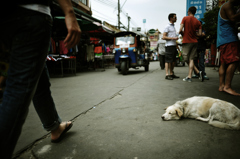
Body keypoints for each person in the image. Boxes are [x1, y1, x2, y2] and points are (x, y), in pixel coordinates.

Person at [0, 0, 81, 158]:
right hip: (32, 14)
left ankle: (54, 127)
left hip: (4, 19)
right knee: (18, 90)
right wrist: (69, 13)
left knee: (37, 74)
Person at [217, 0, 240, 96]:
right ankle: (227, 86)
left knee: (223, 63)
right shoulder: (228, 5)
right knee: (234, 61)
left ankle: (222, 85)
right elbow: (233, 18)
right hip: (229, 38)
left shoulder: (225, 6)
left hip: (222, 39)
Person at [178, 6, 203, 82]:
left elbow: (180, 30)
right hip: (194, 42)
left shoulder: (185, 18)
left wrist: (183, 33)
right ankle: (194, 74)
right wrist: (194, 34)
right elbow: (200, 34)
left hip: (186, 41)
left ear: (189, 11)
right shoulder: (198, 22)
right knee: (191, 59)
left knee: (186, 59)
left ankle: (193, 74)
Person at [162, 13, 180, 80]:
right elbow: (163, 37)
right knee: (168, 60)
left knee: (173, 61)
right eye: (175, 17)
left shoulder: (173, 26)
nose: (176, 19)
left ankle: (171, 73)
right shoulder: (167, 26)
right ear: (171, 18)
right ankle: (167, 74)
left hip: (173, 45)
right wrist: (173, 38)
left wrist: (176, 45)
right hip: (169, 46)